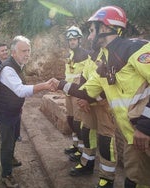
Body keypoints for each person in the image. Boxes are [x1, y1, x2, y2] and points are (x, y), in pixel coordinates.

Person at [54, 6, 150, 188]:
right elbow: (86, 92)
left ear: (105, 28)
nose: (89, 37)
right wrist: (59, 84)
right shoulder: (103, 63)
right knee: (135, 181)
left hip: (143, 132)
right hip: (134, 138)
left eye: (91, 31)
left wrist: (145, 126)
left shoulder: (136, 49)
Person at [0, 35, 54, 187]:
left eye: (29, 50)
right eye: (23, 51)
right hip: (4, 112)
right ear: (13, 52)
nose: (27, 54)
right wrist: (44, 85)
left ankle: (10, 159)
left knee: (13, 138)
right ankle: (6, 174)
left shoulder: (19, 65)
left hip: (13, 111)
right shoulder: (7, 69)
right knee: (6, 143)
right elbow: (20, 90)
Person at [67, 27, 118, 187]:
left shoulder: (111, 57)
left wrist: (87, 99)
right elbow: (84, 77)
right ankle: (87, 164)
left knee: (105, 140)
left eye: (91, 33)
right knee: (87, 132)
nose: (89, 38)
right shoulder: (91, 56)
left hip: (102, 105)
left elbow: (108, 85)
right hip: (88, 102)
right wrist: (83, 96)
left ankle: (107, 177)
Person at [62, 26, 89, 162]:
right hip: (68, 92)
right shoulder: (69, 55)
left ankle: (82, 150)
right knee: (71, 120)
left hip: (78, 93)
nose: (72, 42)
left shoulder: (85, 55)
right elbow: (69, 74)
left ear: (79, 40)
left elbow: (87, 75)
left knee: (79, 123)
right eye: (70, 40)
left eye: (74, 39)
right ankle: (76, 145)